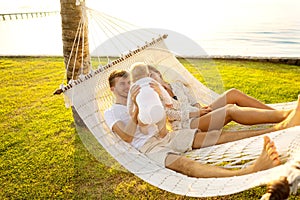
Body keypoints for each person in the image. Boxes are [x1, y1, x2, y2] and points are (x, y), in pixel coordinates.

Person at [104, 69, 300, 178]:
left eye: (129, 83)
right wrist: (137, 111)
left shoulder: (143, 100)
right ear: (112, 89)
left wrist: (156, 110)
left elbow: (162, 127)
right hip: (150, 148)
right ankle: (249, 171)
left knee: (218, 137)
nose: (128, 87)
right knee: (184, 165)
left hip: (167, 137)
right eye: (122, 84)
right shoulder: (111, 112)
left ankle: (280, 127)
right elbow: (127, 136)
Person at [147, 65, 292, 132]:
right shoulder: (156, 96)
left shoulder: (177, 85)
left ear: (158, 74)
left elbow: (193, 99)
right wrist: (195, 113)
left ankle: (277, 114)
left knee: (233, 93)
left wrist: (198, 107)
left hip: (199, 114)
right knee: (229, 110)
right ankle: (284, 119)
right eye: (147, 79)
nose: (151, 79)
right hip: (186, 125)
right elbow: (171, 116)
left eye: (151, 75)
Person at [127, 62, 172, 134]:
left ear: (132, 79)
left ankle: (145, 132)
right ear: (148, 75)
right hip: (158, 110)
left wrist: (130, 113)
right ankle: (162, 134)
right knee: (162, 119)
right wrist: (168, 102)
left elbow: (130, 103)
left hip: (145, 115)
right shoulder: (152, 81)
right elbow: (164, 93)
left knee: (141, 123)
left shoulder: (133, 87)